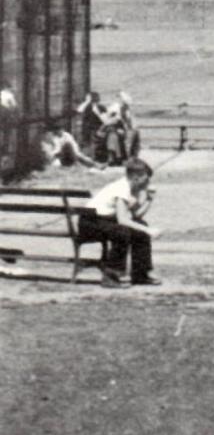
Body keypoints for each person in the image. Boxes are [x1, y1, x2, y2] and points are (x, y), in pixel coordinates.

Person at [77, 157, 161, 287]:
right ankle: (112, 275)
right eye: (146, 177)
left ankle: (141, 273)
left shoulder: (130, 188)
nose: (148, 181)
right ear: (136, 177)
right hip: (90, 222)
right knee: (122, 232)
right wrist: (149, 231)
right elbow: (122, 220)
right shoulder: (122, 188)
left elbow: (136, 216)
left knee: (140, 227)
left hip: (103, 220)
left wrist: (149, 199)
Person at [76, 89, 108, 161]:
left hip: (97, 129)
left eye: (88, 97)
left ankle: (92, 157)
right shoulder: (88, 107)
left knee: (91, 136)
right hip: (87, 130)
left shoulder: (100, 107)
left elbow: (105, 121)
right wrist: (86, 102)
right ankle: (86, 155)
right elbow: (79, 110)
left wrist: (97, 113)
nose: (86, 98)